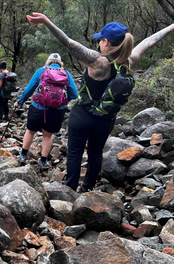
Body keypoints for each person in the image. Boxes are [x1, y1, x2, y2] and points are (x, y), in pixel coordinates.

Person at [27, 12, 174, 191]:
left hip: (82, 115)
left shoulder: (97, 61)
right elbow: (150, 41)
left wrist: (46, 21)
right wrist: (171, 27)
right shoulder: (129, 60)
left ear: (106, 42)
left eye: (100, 40)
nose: (98, 43)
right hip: (105, 118)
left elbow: (68, 42)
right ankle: (88, 187)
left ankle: (71, 187)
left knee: (75, 152)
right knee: (96, 153)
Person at [13, 53, 78, 168]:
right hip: (57, 111)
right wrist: (62, 101)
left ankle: (23, 155)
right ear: (60, 63)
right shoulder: (66, 73)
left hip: (38, 108)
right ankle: (43, 161)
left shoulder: (41, 71)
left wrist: (19, 102)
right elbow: (74, 94)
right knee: (47, 135)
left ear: (48, 62)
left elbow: (29, 89)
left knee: (30, 131)